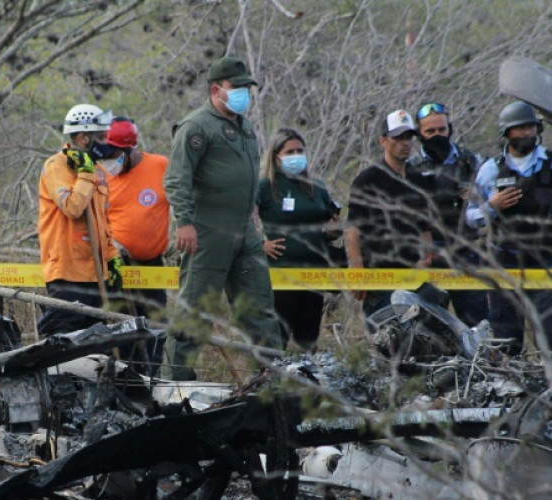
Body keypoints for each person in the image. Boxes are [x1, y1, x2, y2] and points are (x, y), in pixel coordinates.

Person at [162, 57, 282, 380]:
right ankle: (173, 385)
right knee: (194, 312)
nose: (244, 93)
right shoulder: (196, 126)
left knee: (260, 311)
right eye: (237, 87)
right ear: (216, 90)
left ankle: (269, 383)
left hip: (244, 233)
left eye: (247, 87)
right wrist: (184, 222)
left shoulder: (246, 127)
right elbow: (176, 178)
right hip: (206, 232)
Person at [466, 101, 552, 354]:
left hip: (544, 265)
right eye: (519, 128)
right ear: (506, 133)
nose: (526, 133)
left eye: (530, 127)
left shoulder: (549, 163)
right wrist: (492, 206)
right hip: (505, 264)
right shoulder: (491, 169)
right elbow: (470, 218)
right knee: (506, 342)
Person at [37, 104, 122, 335]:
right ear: (84, 137)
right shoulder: (57, 166)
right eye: (102, 137)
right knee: (65, 342)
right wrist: (84, 173)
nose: (106, 142)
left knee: (96, 344)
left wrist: (112, 258)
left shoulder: (99, 172)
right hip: (67, 272)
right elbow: (73, 207)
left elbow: (105, 222)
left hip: (96, 274)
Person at [257, 129, 340, 352]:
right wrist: (258, 244)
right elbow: (240, 218)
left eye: (300, 151)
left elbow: (329, 227)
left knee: (308, 341)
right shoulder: (266, 187)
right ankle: (269, 383)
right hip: (281, 273)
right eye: (290, 151)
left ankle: (306, 383)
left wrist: (334, 231)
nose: (296, 155)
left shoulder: (318, 187)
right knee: (276, 340)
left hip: (314, 273)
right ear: (276, 156)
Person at [406, 102, 487, 327]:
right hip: (427, 254)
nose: (437, 135)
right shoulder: (409, 168)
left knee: (477, 323)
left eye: (442, 130)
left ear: (449, 128)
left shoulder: (471, 161)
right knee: (427, 326)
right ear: (419, 134)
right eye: (430, 131)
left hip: (465, 251)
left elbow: (490, 202)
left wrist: (477, 196)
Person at [346, 109, 433, 317]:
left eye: (409, 137)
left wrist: (427, 258)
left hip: (414, 279)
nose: (405, 143)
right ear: (383, 141)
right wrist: (357, 268)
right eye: (398, 137)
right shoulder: (368, 180)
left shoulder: (418, 180)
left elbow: (425, 228)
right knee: (387, 341)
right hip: (379, 279)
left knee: (420, 342)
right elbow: (352, 230)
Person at [97, 117, 170, 314]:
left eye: (113, 156)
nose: (109, 162)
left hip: (152, 265)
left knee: (156, 325)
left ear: (128, 149)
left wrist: (177, 237)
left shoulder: (160, 166)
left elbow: (183, 201)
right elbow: (97, 219)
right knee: (124, 328)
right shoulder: (102, 176)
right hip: (118, 265)